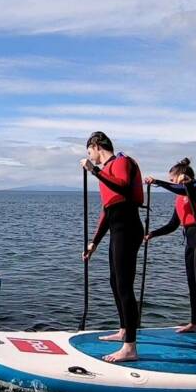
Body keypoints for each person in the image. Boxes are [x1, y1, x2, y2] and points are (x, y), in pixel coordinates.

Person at [144, 158, 196, 347]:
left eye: (172, 180)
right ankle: (194, 323)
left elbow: (185, 190)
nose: (172, 183)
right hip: (190, 240)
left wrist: (157, 182)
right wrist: (152, 234)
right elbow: (173, 224)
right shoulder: (180, 198)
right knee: (193, 285)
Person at [80, 131, 144, 363]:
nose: (90, 157)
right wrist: (94, 242)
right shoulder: (106, 171)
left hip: (129, 227)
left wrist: (94, 171)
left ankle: (130, 348)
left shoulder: (122, 162)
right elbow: (108, 211)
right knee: (114, 281)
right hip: (117, 227)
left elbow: (125, 188)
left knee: (125, 285)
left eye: (90, 152)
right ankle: (124, 329)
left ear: (97, 146)